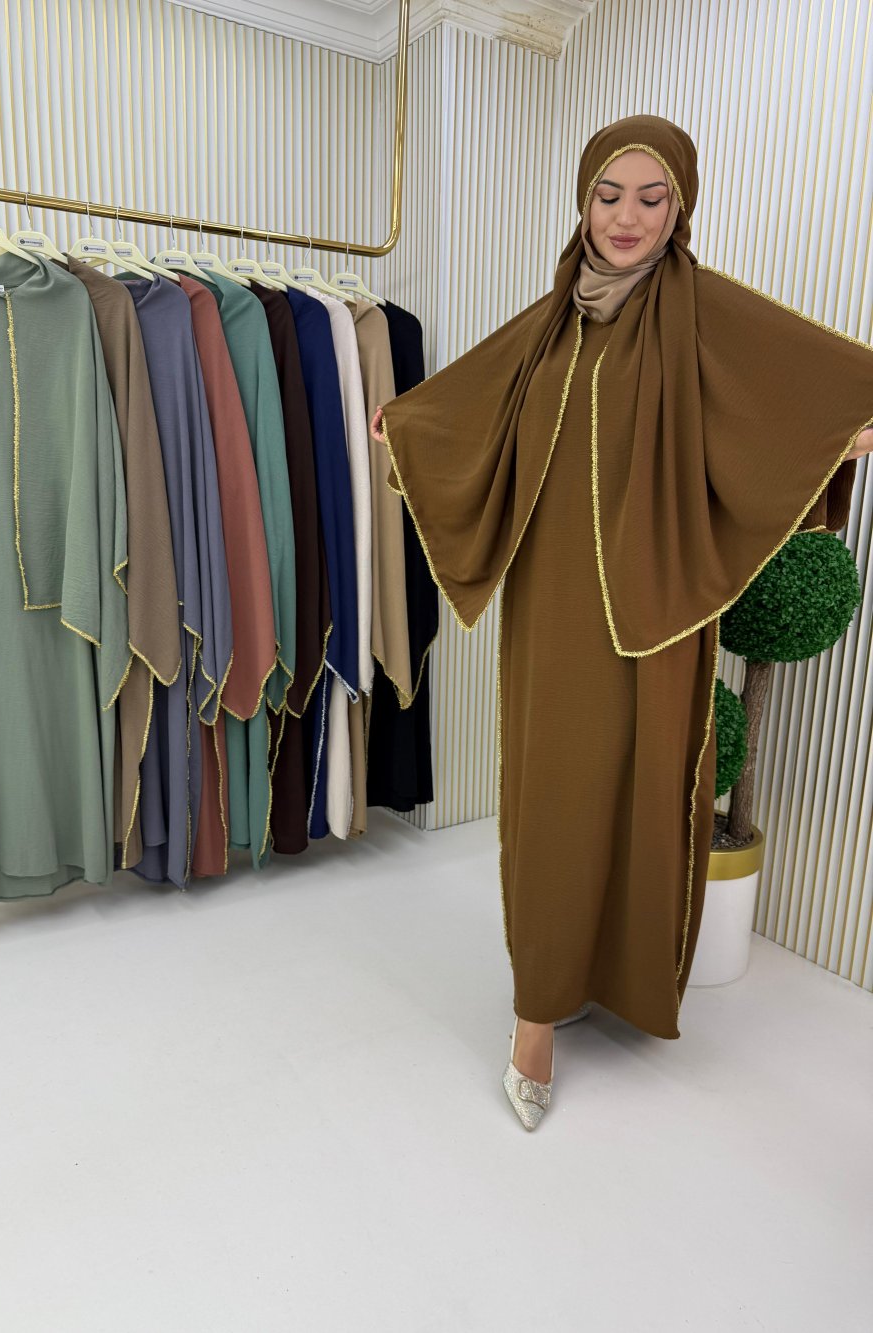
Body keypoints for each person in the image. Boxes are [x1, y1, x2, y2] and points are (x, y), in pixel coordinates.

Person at [370, 114, 873, 1131]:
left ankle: (616, 978)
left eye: (652, 197)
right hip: (553, 608)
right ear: (583, 202)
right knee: (553, 798)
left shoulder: (705, 313)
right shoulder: (552, 317)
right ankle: (536, 1016)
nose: (627, 217)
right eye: (609, 195)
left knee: (642, 792)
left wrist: (838, 434)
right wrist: (408, 427)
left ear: (680, 208)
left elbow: (804, 388)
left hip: (658, 608)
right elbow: (470, 406)